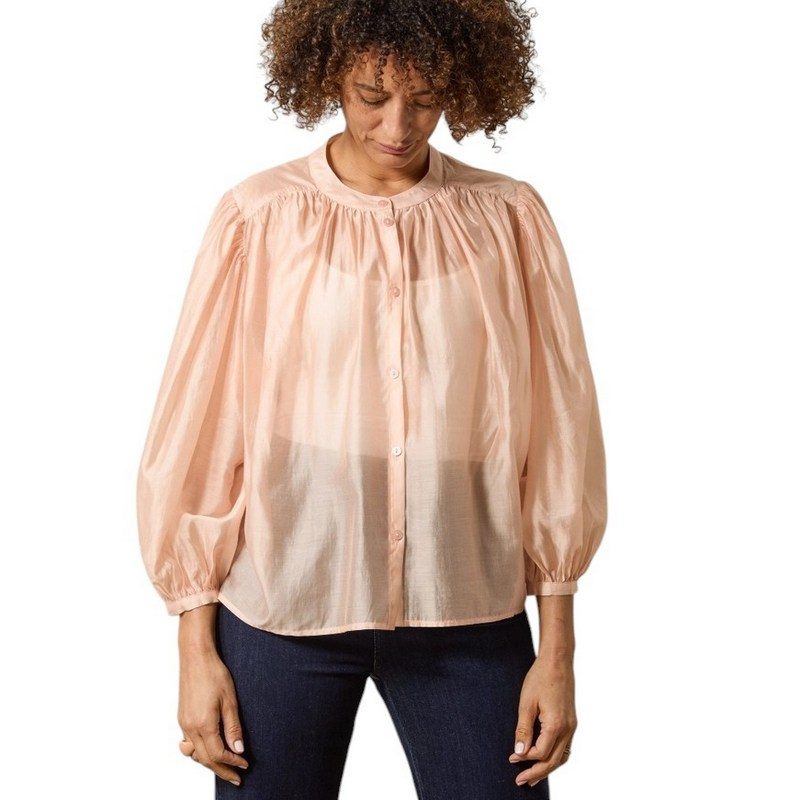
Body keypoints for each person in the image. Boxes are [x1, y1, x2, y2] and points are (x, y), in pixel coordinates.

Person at [135, 2, 608, 797]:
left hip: (469, 610)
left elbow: (559, 432)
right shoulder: (261, 217)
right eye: (371, 96)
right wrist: (194, 647)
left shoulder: (508, 218)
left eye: (424, 100)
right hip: (283, 609)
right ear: (329, 77)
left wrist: (556, 650)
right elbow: (204, 428)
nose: (398, 126)